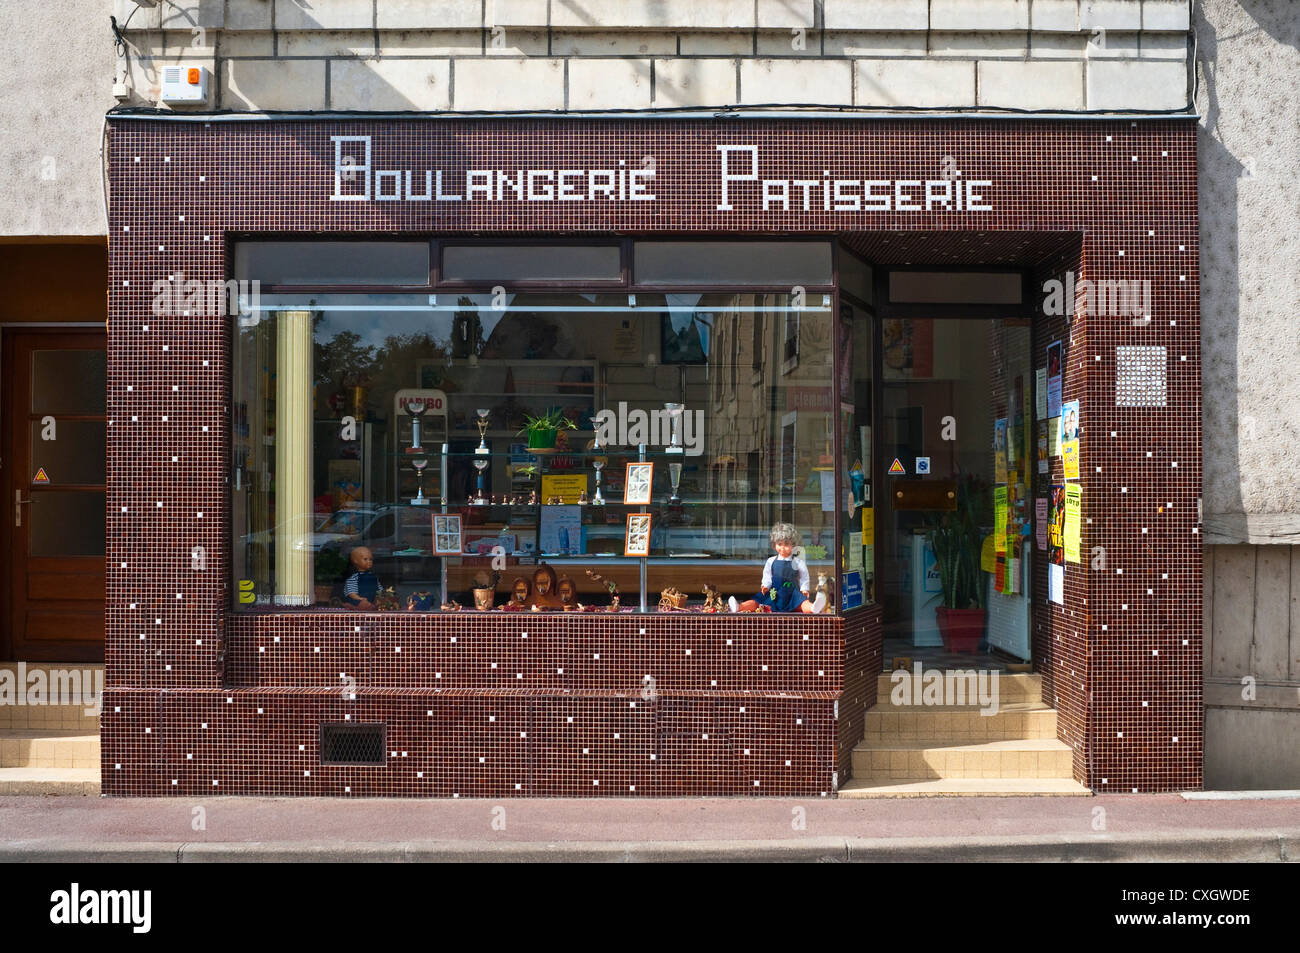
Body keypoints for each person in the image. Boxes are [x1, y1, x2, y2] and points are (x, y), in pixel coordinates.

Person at [729, 523, 827, 614]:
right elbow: (767, 575)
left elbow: (804, 577)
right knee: (757, 601)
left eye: (787, 544)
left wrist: (804, 589)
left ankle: (813, 608)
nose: (783, 548)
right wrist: (765, 586)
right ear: (774, 545)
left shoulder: (797, 561)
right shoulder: (771, 561)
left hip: (792, 593)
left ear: (793, 545)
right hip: (774, 593)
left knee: (802, 603)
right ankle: (739, 607)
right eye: (779, 544)